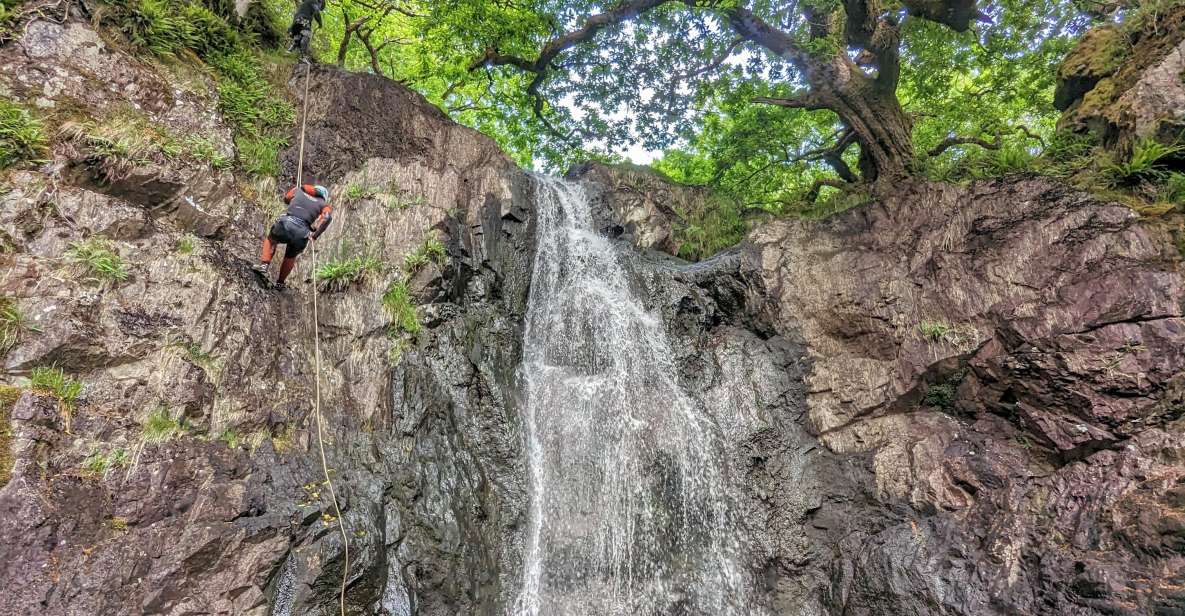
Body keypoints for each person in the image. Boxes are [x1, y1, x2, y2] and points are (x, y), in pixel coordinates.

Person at [255, 184, 333, 289]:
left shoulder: (299, 190)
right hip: (302, 232)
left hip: (286, 223)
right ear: (324, 196)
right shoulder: (324, 205)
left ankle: (264, 265)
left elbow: (287, 199)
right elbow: (326, 218)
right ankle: (280, 283)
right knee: (290, 256)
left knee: (271, 240)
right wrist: (315, 235)